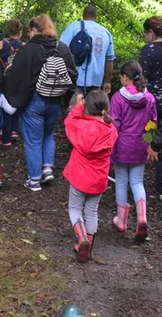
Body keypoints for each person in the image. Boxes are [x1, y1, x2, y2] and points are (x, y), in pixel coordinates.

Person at [6, 15, 78, 192]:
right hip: (55, 101)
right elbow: (73, 75)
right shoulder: (62, 47)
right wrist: (65, 98)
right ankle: (47, 168)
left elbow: (16, 76)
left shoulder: (29, 49)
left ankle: (34, 180)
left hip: (34, 102)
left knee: (33, 140)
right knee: (48, 134)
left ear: (33, 30)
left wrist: (17, 99)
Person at [64, 91, 118, 263]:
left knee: (74, 209)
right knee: (92, 211)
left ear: (87, 107)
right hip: (99, 179)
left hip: (80, 177)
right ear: (106, 108)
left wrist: (78, 107)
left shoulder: (80, 126)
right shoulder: (111, 130)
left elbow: (69, 122)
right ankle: (88, 249)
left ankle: (82, 240)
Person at [110, 61, 157, 241]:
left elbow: (115, 125)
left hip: (122, 145)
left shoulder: (117, 98)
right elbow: (153, 123)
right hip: (141, 145)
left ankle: (121, 221)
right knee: (137, 182)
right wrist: (149, 144)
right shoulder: (150, 98)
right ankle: (142, 218)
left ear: (124, 77)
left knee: (121, 181)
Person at [60, 5, 115, 95]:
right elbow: (109, 60)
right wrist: (107, 81)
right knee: (93, 108)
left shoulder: (73, 28)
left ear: (83, 15)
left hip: (75, 80)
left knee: (75, 108)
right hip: (96, 82)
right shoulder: (106, 33)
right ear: (96, 17)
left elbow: (61, 51)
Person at [139, 16, 162, 199]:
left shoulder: (149, 51)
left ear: (151, 32)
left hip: (154, 103)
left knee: (150, 133)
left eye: (145, 33)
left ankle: (138, 168)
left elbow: (141, 78)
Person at [0, 18, 24, 147]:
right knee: (15, 103)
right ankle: (14, 130)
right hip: (18, 79)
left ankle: (5, 137)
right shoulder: (24, 45)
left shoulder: (1, 44)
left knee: (5, 106)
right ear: (20, 31)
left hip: (4, 79)